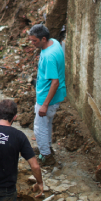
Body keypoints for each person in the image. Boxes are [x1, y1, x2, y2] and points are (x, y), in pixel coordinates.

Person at [28, 23, 66, 166]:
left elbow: (54, 82)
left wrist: (44, 105)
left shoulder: (49, 56)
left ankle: (46, 156)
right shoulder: (54, 43)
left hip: (47, 98)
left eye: (34, 41)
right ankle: (47, 148)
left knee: (39, 127)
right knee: (47, 125)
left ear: (43, 39)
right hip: (52, 97)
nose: (32, 44)